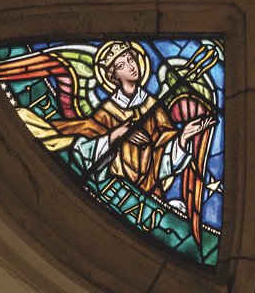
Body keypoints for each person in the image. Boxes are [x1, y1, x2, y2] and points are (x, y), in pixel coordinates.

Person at [54, 41, 213, 202]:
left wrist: (183, 138)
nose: (131, 66)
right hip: (115, 191)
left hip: (150, 193)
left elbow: (163, 149)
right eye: (121, 65)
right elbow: (85, 154)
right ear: (114, 75)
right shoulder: (106, 112)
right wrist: (116, 135)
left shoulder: (153, 106)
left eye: (131, 59)